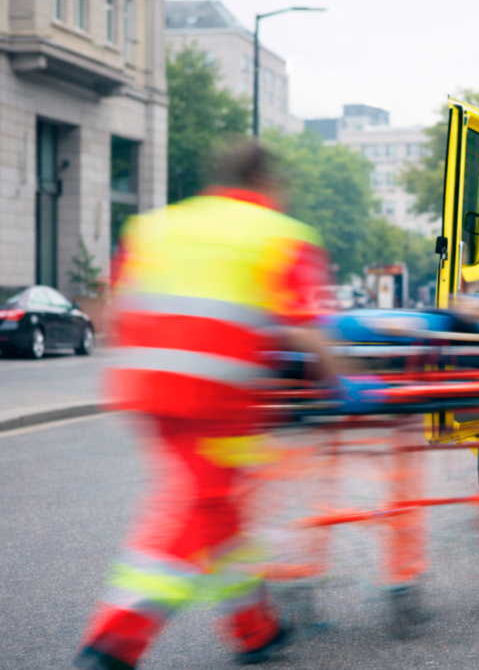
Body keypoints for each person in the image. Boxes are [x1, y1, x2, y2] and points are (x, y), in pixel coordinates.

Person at [76, 141, 336, 670]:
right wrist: (339, 384)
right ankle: (112, 642)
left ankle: (255, 629)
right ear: (267, 182)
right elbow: (308, 332)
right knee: (196, 510)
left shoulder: (154, 227)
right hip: (220, 395)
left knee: (218, 506)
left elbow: (111, 305)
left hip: (148, 388)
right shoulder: (283, 237)